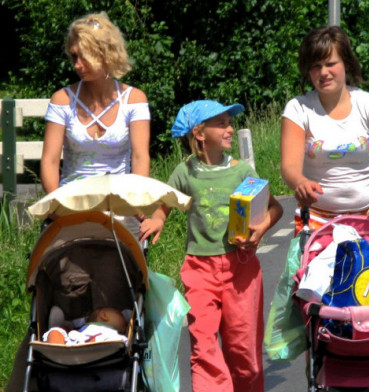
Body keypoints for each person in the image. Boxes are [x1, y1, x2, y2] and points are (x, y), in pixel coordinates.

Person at [139, 100, 283, 392]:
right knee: (203, 345)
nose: (230, 128)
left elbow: (275, 208)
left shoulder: (242, 172)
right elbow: (167, 201)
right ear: (199, 133)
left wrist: (262, 227)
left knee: (244, 353)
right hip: (199, 269)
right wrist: (157, 219)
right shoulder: (185, 171)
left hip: (240, 270)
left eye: (229, 123)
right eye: (222, 123)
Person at [279, 25, 369, 233]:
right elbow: (289, 167)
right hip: (318, 221)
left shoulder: (366, 103)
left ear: (346, 64)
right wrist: (300, 182)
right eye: (316, 66)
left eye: (331, 64)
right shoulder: (298, 108)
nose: (324, 72)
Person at [40, 11, 150, 238]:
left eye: (84, 56)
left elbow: (140, 157)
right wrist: (58, 205)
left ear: (106, 53)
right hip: (71, 203)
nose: (78, 65)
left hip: (118, 204)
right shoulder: (63, 99)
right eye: (73, 57)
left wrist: (137, 200)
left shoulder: (134, 99)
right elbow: (50, 159)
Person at [44, 307, 128, 345]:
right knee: (56, 331)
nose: (125, 322)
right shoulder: (89, 327)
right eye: (121, 315)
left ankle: (58, 350)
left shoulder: (114, 335)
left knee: (115, 341)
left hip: (101, 346)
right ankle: (57, 348)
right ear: (104, 316)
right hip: (74, 347)